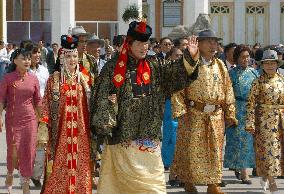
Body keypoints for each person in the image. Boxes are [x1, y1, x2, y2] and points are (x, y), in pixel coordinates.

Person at [91, 20, 198, 194]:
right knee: (122, 186)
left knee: (153, 185)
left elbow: (175, 74)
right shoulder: (113, 68)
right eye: (139, 43)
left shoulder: (155, 64)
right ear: (129, 43)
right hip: (123, 136)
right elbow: (101, 96)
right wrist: (106, 122)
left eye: (146, 43)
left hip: (150, 135)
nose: (144, 47)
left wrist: (189, 57)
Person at [171, 29, 237, 194]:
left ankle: (213, 184)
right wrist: (180, 110)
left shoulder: (220, 65)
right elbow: (177, 87)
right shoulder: (189, 64)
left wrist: (230, 113)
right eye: (209, 41)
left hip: (215, 114)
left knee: (215, 149)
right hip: (193, 113)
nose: (213, 45)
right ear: (198, 44)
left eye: (215, 42)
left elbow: (228, 90)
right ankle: (188, 181)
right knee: (190, 149)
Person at [40, 35, 92, 194]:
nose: (72, 59)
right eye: (68, 56)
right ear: (62, 57)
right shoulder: (54, 80)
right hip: (60, 134)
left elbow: (93, 105)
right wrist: (43, 128)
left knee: (81, 166)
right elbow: (46, 104)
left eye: (75, 56)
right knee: (58, 167)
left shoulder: (85, 80)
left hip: (81, 133)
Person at [0, 48, 42, 194]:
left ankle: (25, 182)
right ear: (15, 60)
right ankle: (10, 173)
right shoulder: (8, 78)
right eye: (23, 58)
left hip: (30, 119)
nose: (27, 61)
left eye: (29, 59)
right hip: (12, 119)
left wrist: (43, 120)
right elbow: (1, 99)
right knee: (14, 151)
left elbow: (38, 100)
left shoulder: (33, 78)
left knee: (29, 151)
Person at [246, 49, 284, 194]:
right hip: (264, 121)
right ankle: (272, 181)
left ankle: (266, 177)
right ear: (262, 65)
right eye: (266, 63)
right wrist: (250, 123)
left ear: (277, 64)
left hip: (280, 120)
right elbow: (250, 104)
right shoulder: (258, 82)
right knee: (269, 151)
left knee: (278, 152)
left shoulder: (282, 80)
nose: (269, 66)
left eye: (272, 63)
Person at [224, 45, 258, 184]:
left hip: (251, 109)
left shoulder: (254, 73)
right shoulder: (231, 74)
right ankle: (242, 171)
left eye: (247, 56)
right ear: (236, 58)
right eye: (243, 57)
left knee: (248, 141)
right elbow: (226, 93)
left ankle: (246, 169)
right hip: (236, 108)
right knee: (236, 141)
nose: (246, 59)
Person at [28, 45, 49, 187]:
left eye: (38, 52)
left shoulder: (45, 70)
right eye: (34, 52)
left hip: (43, 112)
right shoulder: (24, 71)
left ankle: (36, 175)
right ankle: (26, 172)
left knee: (42, 145)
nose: (37, 55)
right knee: (28, 145)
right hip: (27, 112)